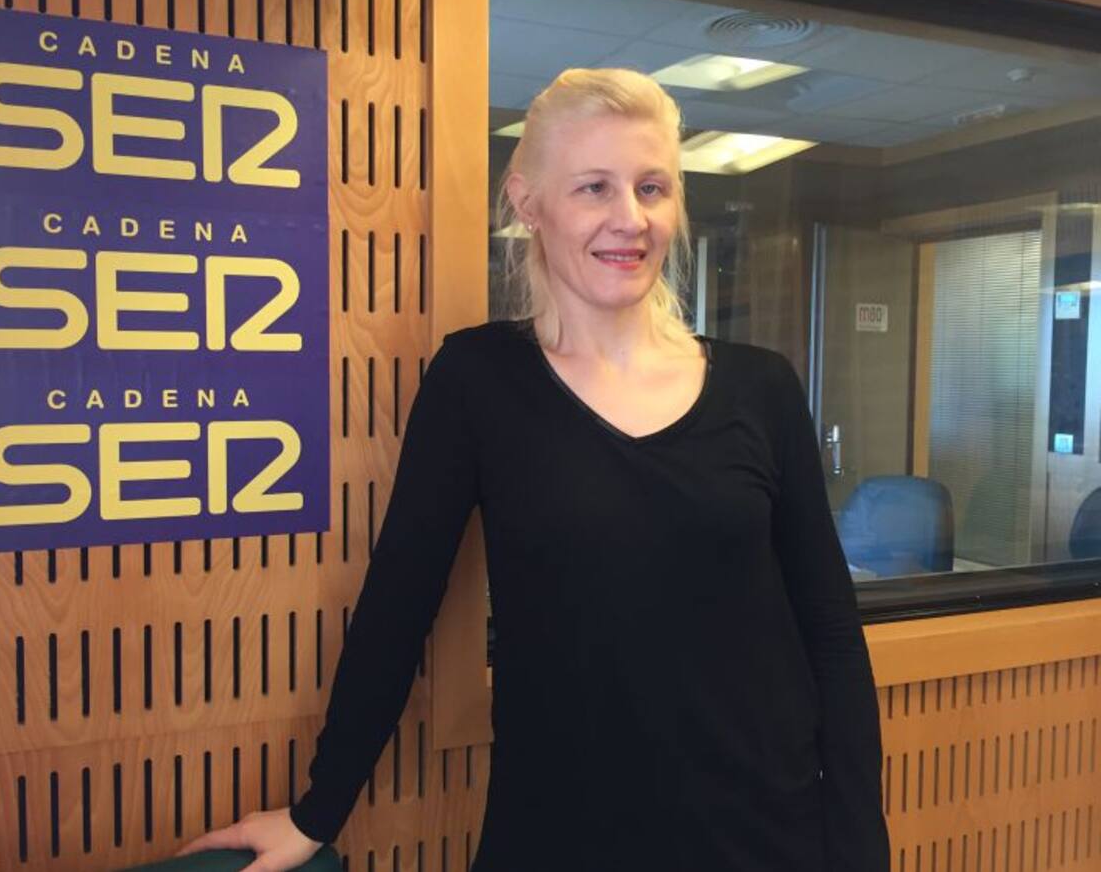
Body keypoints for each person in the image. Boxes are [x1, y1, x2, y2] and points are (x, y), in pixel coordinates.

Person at [178, 67, 890, 871]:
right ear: (528, 203)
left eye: (652, 188)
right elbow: (398, 604)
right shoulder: (478, 382)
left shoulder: (762, 388)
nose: (630, 219)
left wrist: (861, 851)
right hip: (559, 833)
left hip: (763, 835)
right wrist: (318, 811)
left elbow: (830, 632)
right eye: (594, 187)